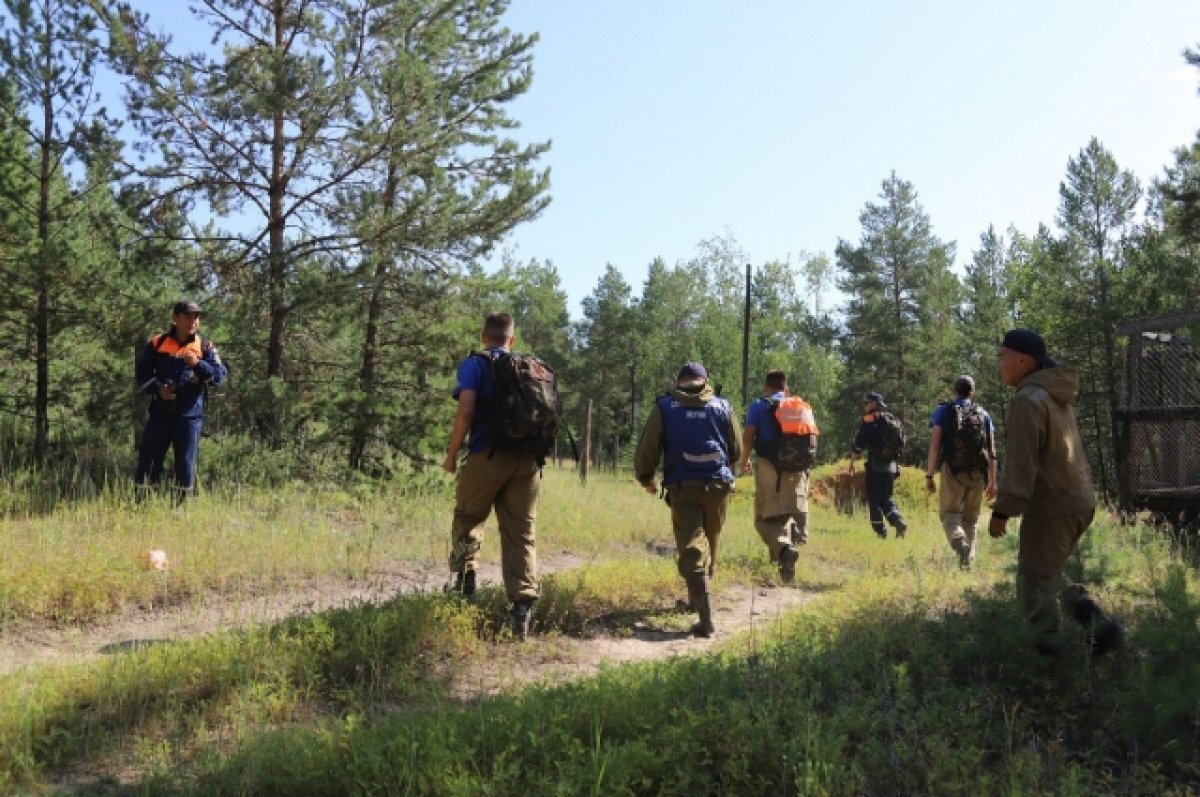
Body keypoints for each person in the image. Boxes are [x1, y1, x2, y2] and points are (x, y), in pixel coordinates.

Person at [988, 329, 1122, 656]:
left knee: (1034, 586)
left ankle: (1047, 668)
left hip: (1053, 507)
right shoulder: (1053, 394)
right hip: (1079, 500)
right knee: (1051, 573)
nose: (999, 364)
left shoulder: (1027, 399)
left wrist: (1003, 510)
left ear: (1023, 360)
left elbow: (1022, 463)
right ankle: (1101, 628)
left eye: (1002, 356)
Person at [443, 312, 542, 641]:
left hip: (488, 455)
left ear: (484, 336)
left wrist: (451, 455)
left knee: (469, 516)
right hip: (527, 462)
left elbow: (466, 410)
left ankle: (464, 584)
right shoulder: (528, 370)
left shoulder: (475, 364)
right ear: (511, 340)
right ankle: (522, 608)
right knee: (520, 533)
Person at [634, 362, 742, 637]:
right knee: (711, 540)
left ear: (678, 381)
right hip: (718, 485)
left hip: (684, 486)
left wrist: (646, 477)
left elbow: (648, 447)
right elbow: (737, 450)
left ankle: (706, 619)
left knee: (692, 545)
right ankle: (698, 599)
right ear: (706, 381)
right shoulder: (723, 406)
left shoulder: (665, 407)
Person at [135, 300, 227, 502]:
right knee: (149, 459)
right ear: (175, 318)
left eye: (196, 317)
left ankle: (181, 507)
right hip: (160, 412)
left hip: (189, 416)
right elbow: (141, 373)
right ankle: (142, 505)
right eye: (187, 316)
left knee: (185, 464)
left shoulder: (204, 346)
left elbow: (219, 377)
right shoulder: (157, 343)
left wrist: (198, 365)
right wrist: (158, 388)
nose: (192, 321)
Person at [740, 370, 815, 584]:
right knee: (786, 517)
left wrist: (744, 460)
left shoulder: (759, 405)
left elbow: (748, 437)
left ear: (766, 388)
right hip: (799, 472)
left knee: (764, 520)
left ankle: (783, 551)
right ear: (786, 388)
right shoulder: (800, 408)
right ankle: (784, 572)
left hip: (770, 470)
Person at [925, 375, 998, 569]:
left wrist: (930, 475)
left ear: (954, 391)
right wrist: (992, 481)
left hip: (952, 470)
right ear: (972, 393)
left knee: (950, 513)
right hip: (978, 472)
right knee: (971, 518)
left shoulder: (943, 411)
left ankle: (958, 540)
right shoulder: (983, 414)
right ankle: (967, 563)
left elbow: (934, 447)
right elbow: (992, 452)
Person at [848, 392, 907, 539]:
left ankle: (880, 531)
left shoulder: (869, 421)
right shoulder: (891, 419)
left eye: (867, 403)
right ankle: (897, 519)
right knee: (886, 497)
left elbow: (858, 445)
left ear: (875, 404)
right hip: (892, 465)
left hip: (876, 465)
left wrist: (852, 463)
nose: (865, 405)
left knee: (874, 499)